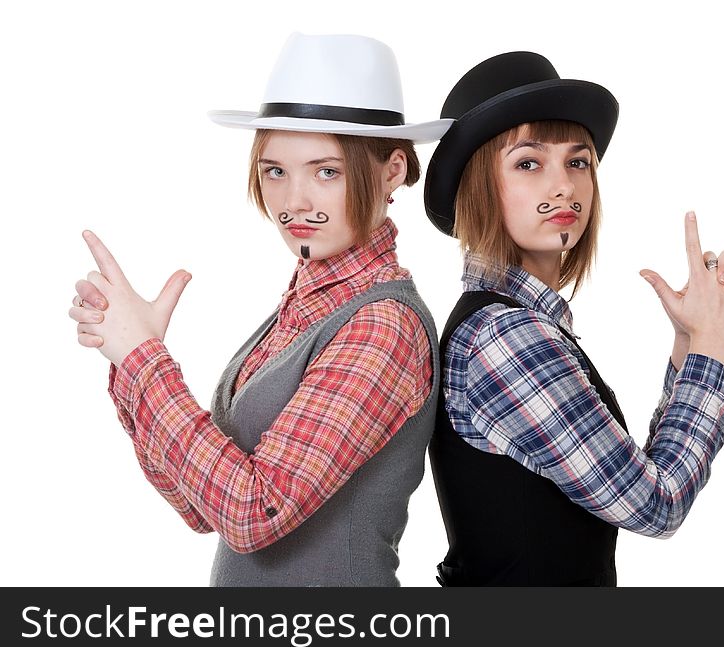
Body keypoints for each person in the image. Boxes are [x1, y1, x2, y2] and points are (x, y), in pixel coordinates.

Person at [68, 33, 451, 586]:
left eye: (326, 171)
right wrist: (127, 362)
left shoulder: (381, 326)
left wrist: (145, 361)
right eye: (275, 171)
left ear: (393, 170)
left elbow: (253, 514)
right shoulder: (301, 309)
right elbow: (202, 507)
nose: (293, 202)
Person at [423, 52, 724, 586]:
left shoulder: (520, 325)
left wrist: (690, 342)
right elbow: (656, 504)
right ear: (478, 187)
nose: (564, 187)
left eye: (577, 162)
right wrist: (714, 346)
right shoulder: (507, 336)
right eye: (529, 163)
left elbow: (633, 477)